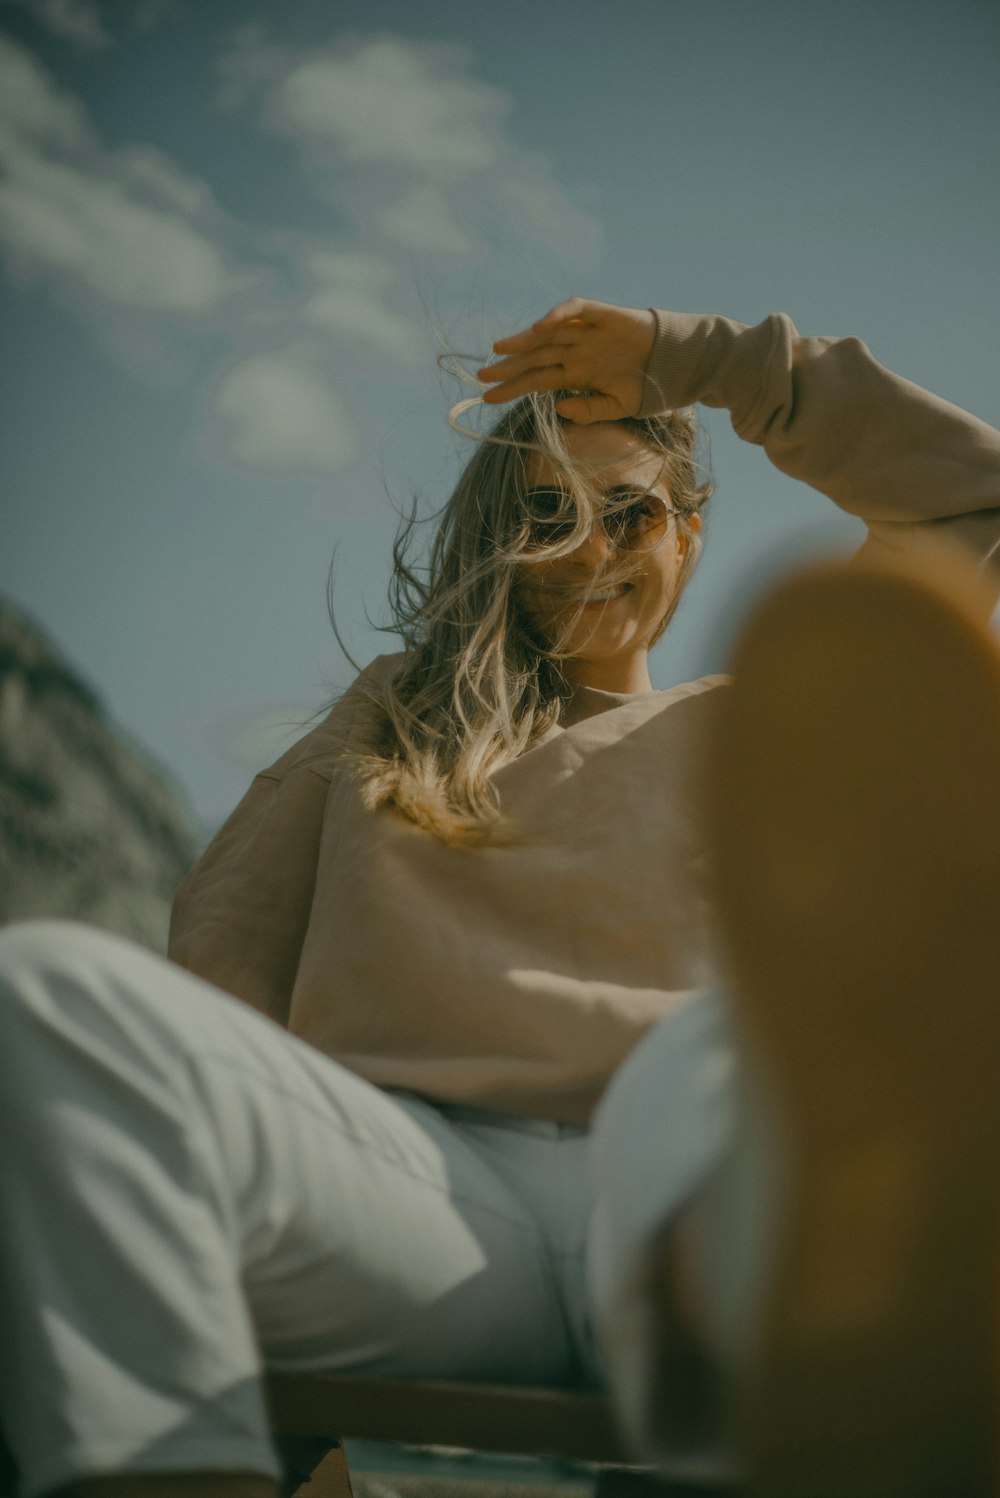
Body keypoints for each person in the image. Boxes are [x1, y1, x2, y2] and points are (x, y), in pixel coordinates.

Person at [1, 295, 998, 1498]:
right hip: (421, 1197)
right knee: (40, 991)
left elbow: (966, 494)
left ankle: (807, 1325)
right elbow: (228, 957)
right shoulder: (391, 721)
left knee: (719, 1058)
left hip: (686, 1170)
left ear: (689, 526)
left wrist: (702, 361)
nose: (588, 549)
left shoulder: (763, 725)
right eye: (544, 514)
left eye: (627, 512)